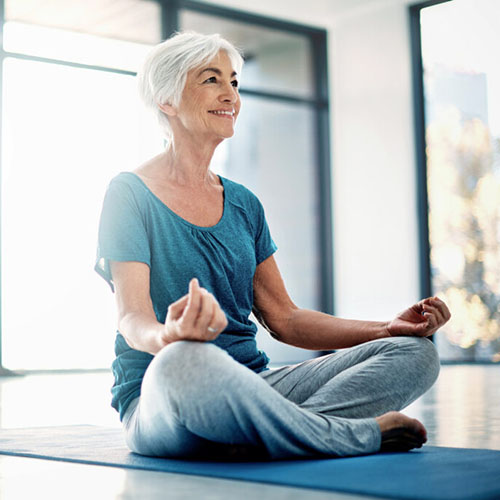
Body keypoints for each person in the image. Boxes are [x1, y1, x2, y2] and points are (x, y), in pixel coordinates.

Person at [95, 31, 451, 460]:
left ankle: (261, 436)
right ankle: (342, 437)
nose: (231, 94)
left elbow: (285, 318)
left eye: (234, 81)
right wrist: (169, 336)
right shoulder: (129, 193)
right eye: (211, 80)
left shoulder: (244, 203)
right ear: (166, 100)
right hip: (166, 393)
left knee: (416, 353)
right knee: (184, 361)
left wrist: (386, 329)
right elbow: (132, 319)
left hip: (257, 386)